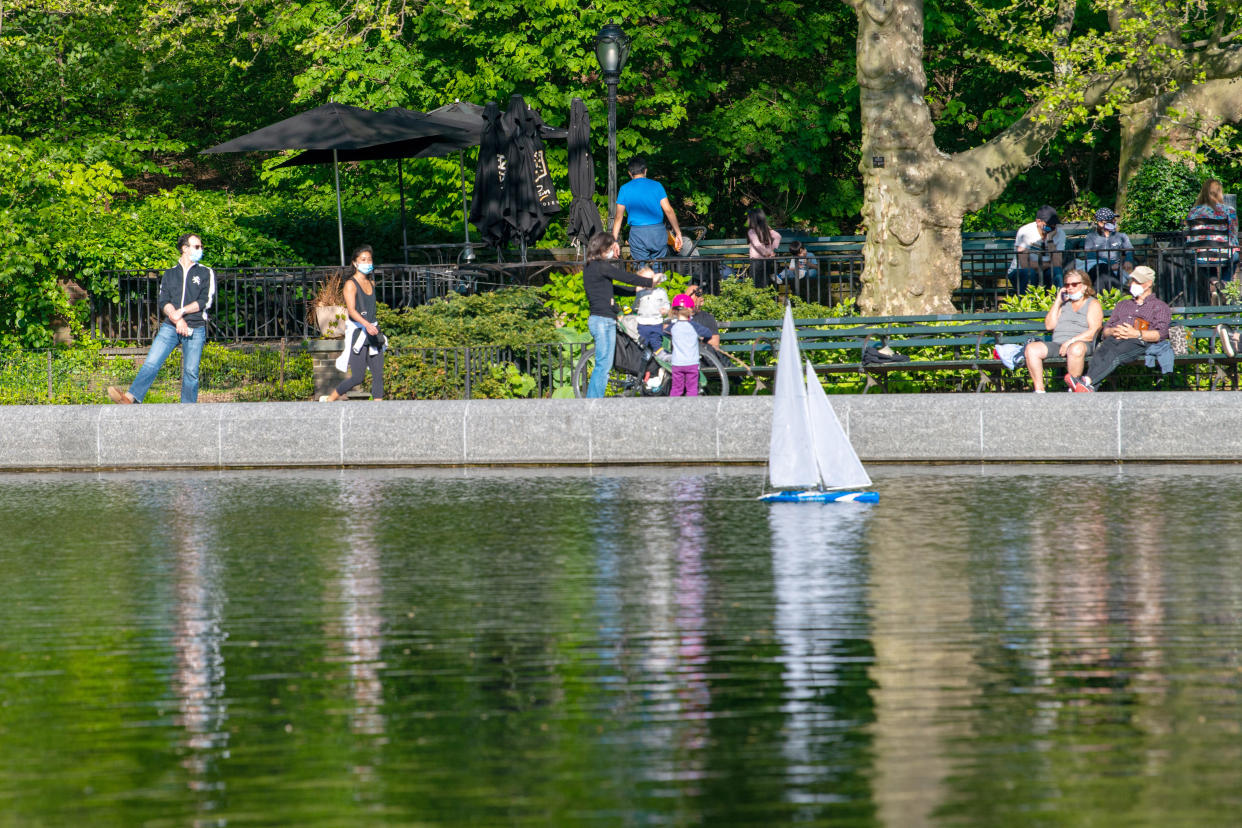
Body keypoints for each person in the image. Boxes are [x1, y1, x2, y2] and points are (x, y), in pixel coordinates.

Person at [107, 233, 216, 404]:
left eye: (201, 247)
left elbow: (205, 301)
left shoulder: (205, 272)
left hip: (195, 327)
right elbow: (164, 300)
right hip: (171, 326)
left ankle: (187, 411)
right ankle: (130, 399)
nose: (200, 250)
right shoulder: (170, 274)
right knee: (151, 362)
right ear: (184, 248)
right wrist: (177, 319)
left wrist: (181, 312)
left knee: (191, 373)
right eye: (196, 246)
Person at [1065, 265, 1170, 393]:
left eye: (1137, 281)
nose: (1133, 284)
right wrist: (1113, 331)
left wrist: (1136, 333)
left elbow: (1161, 334)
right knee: (1101, 351)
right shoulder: (1123, 305)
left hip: (1139, 342)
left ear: (1148, 284)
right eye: (1133, 281)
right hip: (1116, 338)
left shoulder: (1159, 306)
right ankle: (1088, 388)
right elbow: (1105, 330)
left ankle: (1086, 381)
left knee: (1115, 353)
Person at [583, 231, 661, 398]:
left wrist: (636, 290)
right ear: (603, 248)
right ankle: (593, 402)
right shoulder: (601, 266)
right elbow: (625, 277)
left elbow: (613, 288)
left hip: (599, 319)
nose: (613, 251)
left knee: (604, 363)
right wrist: (649, 282)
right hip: (603, 321)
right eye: (611, 247)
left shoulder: (590, 267)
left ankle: (593, 400)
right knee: (603, 365)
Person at [320, 245, 385, 401]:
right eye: (363, 260)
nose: (367, 262)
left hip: (373, 331)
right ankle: (330, 399)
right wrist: (367, 325)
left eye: (369, 259)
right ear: (355, 263)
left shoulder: (372, 283)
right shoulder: (350, 284)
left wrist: (372, 326)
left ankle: (379, 410)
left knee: (378, 375)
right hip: (359, 333)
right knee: (358, 377)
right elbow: (351, 311)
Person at [1022, 269, 1103, 393]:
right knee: (1032, 349)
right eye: (1067, 285)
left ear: (1084, 286)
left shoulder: (1092, 303)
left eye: (1074, 284)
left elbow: (1094, 331)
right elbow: (1049, 326)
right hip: (1058, 344)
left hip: (1082, 343)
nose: (1070, 288)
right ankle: (1039, 391)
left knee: (1075, 348)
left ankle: (1074, 387)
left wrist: (1071, 341)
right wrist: (1058, 301)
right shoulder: (1064, 304)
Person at [612, 157, 683, 271]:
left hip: (637, 233)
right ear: (645, 170)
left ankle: (643, 287)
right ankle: (659, 287)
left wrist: (614, 240)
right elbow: (668, 210)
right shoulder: (657, 186)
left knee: (641, 270)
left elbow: (618, 217)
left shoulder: (624, 189)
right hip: (657, 232)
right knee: (658, 268)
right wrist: (678, 233)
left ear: (629, 173)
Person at [1185, 178, 1239, 297]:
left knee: (1204, 261)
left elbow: (1189, 236)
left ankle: (1215, 282)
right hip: (1224, 253)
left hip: (1201, 255)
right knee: (1234, 256)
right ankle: (1224, 285)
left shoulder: (1193, 212)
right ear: (1219, 192)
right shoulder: (1229, 210)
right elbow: (1233, 233)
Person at [1008, 205, 1066, 292]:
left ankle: (1060, 302)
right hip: (1020, 271)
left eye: (1054, 225)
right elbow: (1024, 264)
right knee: (1029, 273)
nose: (1052, 227)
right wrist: (1049, 264)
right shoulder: (1025, 232)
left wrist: (1050, 240)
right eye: (1049, 225)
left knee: (1056, 272)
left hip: (1046, 271)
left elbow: (1057, 263)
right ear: (1038, 221)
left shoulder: (1059, 233)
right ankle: (1027, 304)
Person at [666, 294, 713, 397]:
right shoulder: (694, 326)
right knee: (692, 389)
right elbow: (708, 333)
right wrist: (703, 341)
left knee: (676, 388)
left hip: (677, 363)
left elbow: (664, 334)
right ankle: (692, 410)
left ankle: (672, 408)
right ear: (690, 309)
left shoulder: (672, 327)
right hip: (692, 363)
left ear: (674, 310)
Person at [1082, 207, 1133, 291]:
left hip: (1117, 269)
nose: (1114, 221)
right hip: (1098, 270)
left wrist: (1128, 261)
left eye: (1114, 219)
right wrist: (1109, 266)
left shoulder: (1121, 236)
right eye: (1111, 220)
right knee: (1102, 272)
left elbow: (1130, 250)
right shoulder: (1091, 237)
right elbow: (1090, 257)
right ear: (1100, 223)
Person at [633, 282, 671, 360]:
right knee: (642, 341)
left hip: (656, 322)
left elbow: (666, 304)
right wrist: (635, 308)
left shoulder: (661, 291)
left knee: (656, 340)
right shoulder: (641, 292)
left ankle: (660, 355)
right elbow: (635, 306)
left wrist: (665, 309)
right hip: (643, 322)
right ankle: (642, 356)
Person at [747, 208, 782, 288]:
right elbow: (778, 236)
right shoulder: (767, 230)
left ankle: (759, 299)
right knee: (765, 282)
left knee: (755, 284)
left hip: (756, 261)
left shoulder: (752, 231)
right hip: (767, 261)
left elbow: (757, 245)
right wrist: (771, 250)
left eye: (749, 218)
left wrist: (766, 253)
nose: (747, 221)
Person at [683, 283, 721, 350]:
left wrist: (696, 338)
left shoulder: (707, 318)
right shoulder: (679, 317)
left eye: (697, 295)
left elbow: (715, 343)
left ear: (701, 301)